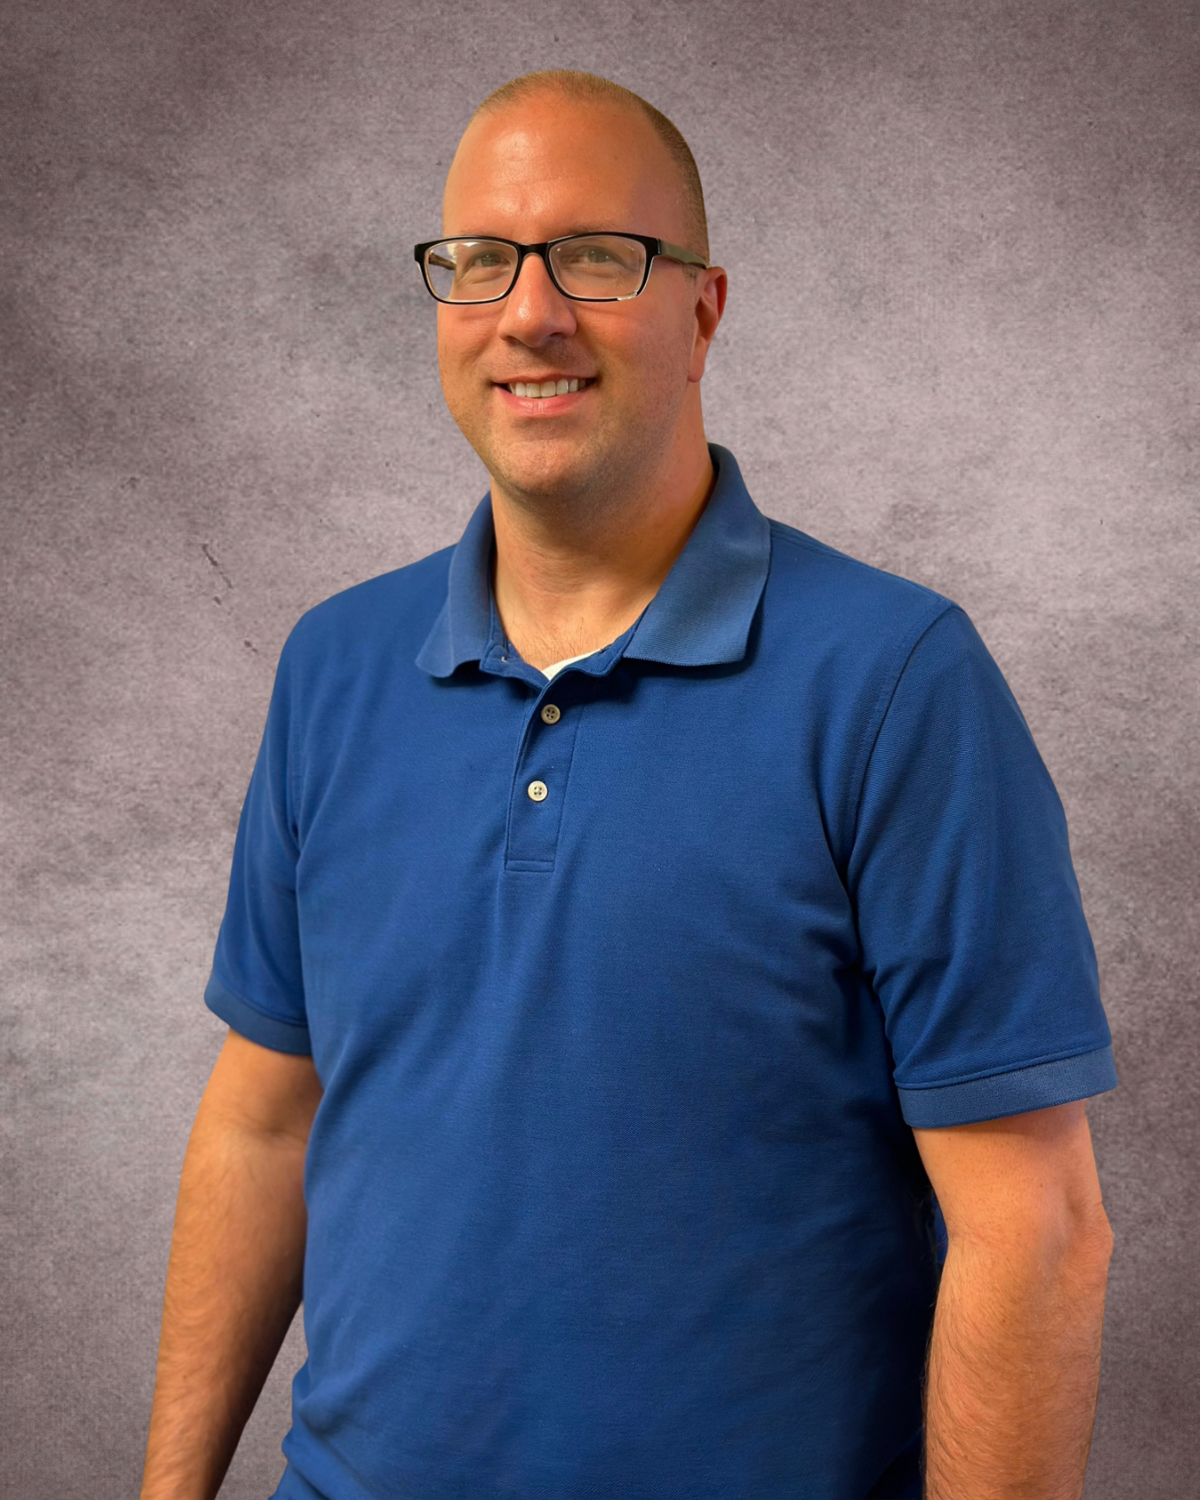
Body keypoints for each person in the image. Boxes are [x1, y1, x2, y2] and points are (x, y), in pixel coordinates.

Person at [141, 69, 1118, 1500]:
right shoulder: (335, 668)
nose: (529, 312)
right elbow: (262, 1118)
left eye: (598, 257)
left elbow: (1036, 1227)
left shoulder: (896, 681)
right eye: (479, 261)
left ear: (704, 310)